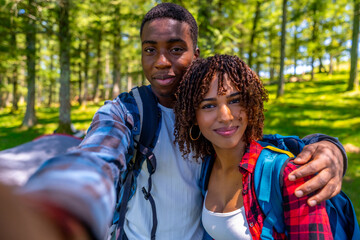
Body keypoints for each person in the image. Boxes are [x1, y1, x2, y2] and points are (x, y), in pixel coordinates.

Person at [0, 3, 346, 240]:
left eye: (175, 48)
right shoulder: (125, 114)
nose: (161, 61)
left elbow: (262, 144)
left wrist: (331, 147)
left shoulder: (211, 124)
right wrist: (60, 209)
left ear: (196, 53)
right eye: (150, 49)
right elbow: (98, 156)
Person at [174, 54, 333, 239]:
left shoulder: (291, 175)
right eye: (208, 106)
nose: (225, 117)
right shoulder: (205, 167)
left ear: (251, 104)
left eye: (235, 101)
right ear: (193, 116)